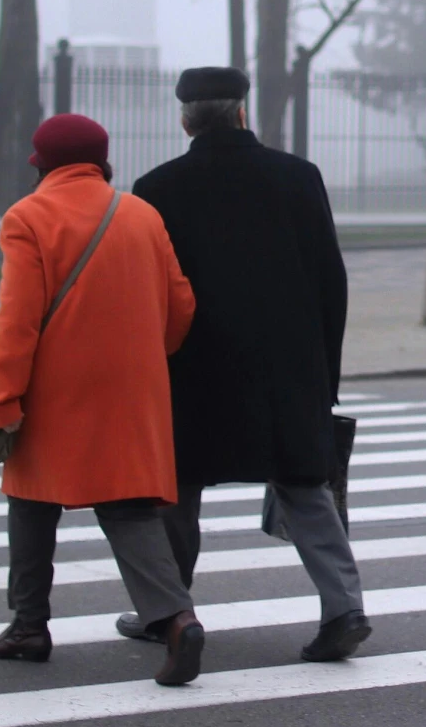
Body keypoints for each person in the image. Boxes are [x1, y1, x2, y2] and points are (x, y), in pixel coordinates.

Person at [128, 65, 372, 663]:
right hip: (288, 367)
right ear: (242, 112)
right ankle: (344, 607)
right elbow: (329, 280)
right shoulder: (298, 177)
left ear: (185, 120)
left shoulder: (156, 189)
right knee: (304, 485)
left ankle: (170, 611)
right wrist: (324, 376)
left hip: (193, 368)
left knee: (177, 492)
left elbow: (149, 290)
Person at [0, 112, 208, 686]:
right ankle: (177, 619)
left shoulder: (28, 217)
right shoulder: (141, 214)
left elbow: (17, 323)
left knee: (30, 504)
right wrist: (145, 356)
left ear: (44, 164)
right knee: (129, 508)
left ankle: (29, 626)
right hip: (131, 393)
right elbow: (181, 306)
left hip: (54, 393)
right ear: (101, 160)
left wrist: (3, 401)